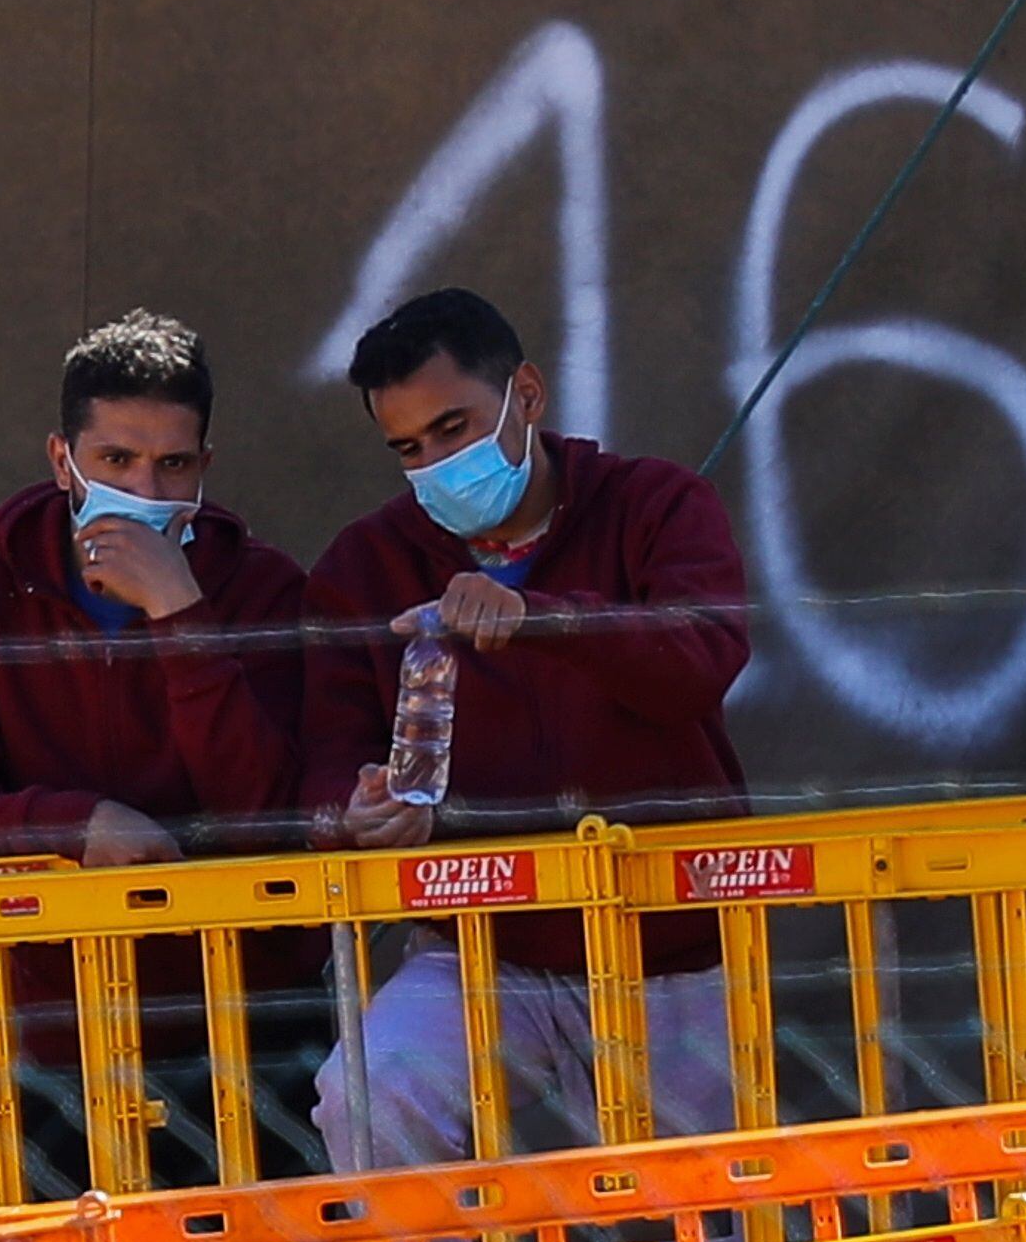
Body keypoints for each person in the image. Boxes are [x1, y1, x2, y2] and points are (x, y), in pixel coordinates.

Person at [303, 287, 755, 1188]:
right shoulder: (365, 565)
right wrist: (352, 808)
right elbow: (324, 743)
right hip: (473, 945)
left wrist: (543, 618)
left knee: (698, 1219)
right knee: (367, 1098)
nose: (436, 463)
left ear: (529, 395)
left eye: (454, 428)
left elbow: (704, 653)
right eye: (408, 449)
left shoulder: (655, 503)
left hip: (664, 947)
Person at [0, 310, 323, 1195]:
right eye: (115, 462)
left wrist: (180, 616)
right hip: (67, 1034)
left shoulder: (266, 588)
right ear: (62, 462)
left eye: (171, 464)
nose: (143, 486)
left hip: (258, 1028)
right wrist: (74, 824)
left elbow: (268, 815)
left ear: (205, 471)